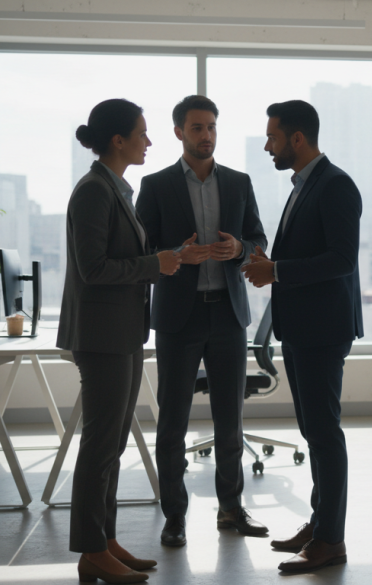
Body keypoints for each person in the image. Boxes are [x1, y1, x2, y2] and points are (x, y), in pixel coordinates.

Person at [58, 98, 183, 584]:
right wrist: (155, 264)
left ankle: (104, 542)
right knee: (100, 446)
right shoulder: (94, 191)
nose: (149, 141)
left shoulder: (114, 188)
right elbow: (93, 268)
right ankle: (91, 550)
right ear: (118, 140)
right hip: (103, 337)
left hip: (123, 332)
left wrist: (167, 257)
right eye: (142, 133)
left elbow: (118, 257)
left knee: (111, 446)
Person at [135, 95, 269, 548]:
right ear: (179, 132)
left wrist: (241, 250)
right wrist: (177, 255)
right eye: (197, 127)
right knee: (172, 422)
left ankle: (231, 508)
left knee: (230, 422)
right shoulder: (155, 185)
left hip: (228, 313)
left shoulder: (238, 182)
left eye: (211, 126)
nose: (206, 135)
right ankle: (175, 515)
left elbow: (257, 237)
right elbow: (141, 250)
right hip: (179, 315)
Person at [241, 100, 364, 573]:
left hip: (322, 331)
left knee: (324, 434)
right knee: (314, 433)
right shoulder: (303, 184)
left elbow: (342, 260)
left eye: (272, 137)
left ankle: (331, 540)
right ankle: (319, 524)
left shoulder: (335, 185)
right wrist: (269, 265)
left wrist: (277, 271)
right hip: (300, 329)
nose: (268, 146)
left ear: (297, 138)